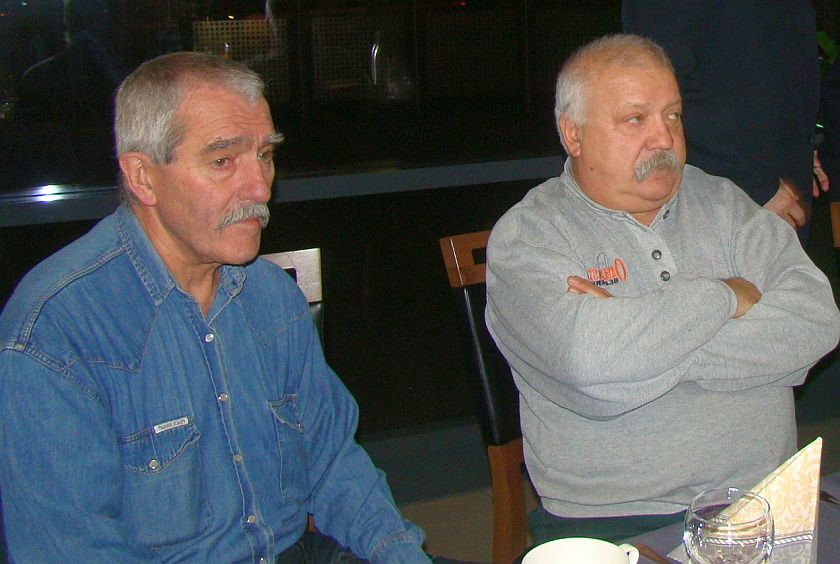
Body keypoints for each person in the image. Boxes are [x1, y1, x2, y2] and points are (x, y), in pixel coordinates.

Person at [0, 51, 431, 562]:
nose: (260, 187)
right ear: (142, 177)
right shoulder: (56, 332)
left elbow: (335, 464)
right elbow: (72, 550)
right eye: (223, 161)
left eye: (264, 154)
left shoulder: (271, 298)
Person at [485, 34, 840, 545]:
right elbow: (591, 364)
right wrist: (724, 295)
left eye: (673, 115)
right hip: (616, 521)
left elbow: (817, 322)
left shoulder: (725, 204)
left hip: (762, 503)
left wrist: (639, 339)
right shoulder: (530, 237)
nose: (664, 138)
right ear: (573, 134)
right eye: (636, 119)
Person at [623, 1, 828, 239]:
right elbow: (653, 81)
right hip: (725, 196)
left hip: (780, 182)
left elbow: (764, 52)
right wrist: (754, 187)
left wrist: (803, 143)